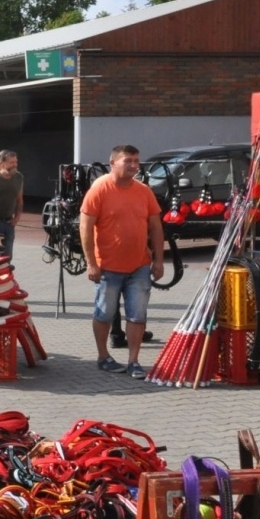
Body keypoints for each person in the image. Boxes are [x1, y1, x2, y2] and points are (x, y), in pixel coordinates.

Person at [79, 145, 164, 380]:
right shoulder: (100, 189)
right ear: (112, 162)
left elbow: (156, 227)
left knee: (138, 314)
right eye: (128, 161)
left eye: (136, 161)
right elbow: (85, 228)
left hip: (140, 266)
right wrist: (91, 263)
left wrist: (158, 260)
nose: (134, 165)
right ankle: (103, 356)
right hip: (107, 266)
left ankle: (134, 361)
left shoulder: (144, 191)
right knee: (105, 313)